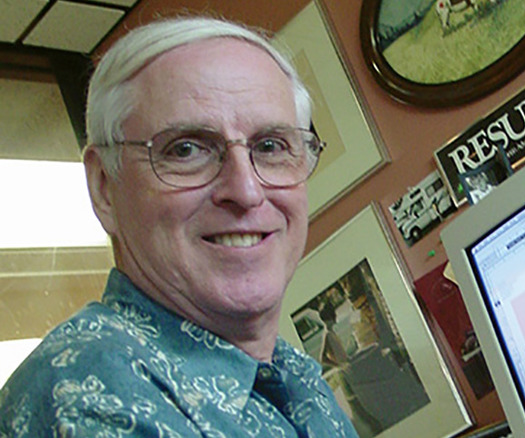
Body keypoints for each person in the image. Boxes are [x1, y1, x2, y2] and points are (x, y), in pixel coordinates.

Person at [0, 16, 359, 437]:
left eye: (270, 146)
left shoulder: (295, 375)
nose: (245, 191)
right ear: (104, 188)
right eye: (186, 149)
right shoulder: (89, 390)